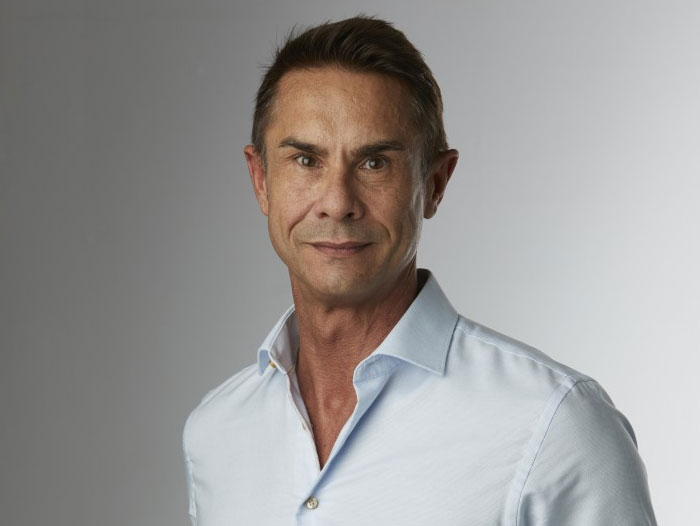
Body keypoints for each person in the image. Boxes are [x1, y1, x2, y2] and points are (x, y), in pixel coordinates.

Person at [182, 15, 656, 525]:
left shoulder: (554, 426)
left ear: (434, 183)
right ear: (260, 180)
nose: (337, 202)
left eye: (374, 163)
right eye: (305, 160)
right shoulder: (216, 434)